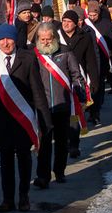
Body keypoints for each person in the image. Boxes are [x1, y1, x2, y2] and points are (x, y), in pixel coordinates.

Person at [0, 23, 50, 213]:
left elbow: (37, 91)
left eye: (9, 39)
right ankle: (7, 200)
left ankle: (23, 197)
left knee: (24, 159)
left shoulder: (28, 59)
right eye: (2, 39)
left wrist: (44, 121)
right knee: (5, 161)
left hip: (23, 120)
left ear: (15, 40)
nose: (6, 43)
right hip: (2, 122)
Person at [33, 22, 87, 189]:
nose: (46, 43)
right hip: (43, 107)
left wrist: (80, 93)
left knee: (62, 141)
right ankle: (43, 176)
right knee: (44, 142)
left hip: (63, 104)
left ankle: (60, 171)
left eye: (49, 39)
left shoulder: (65, 52)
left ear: (54, 37)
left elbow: (75, 74)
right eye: (42, 40)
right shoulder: (33, 55)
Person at [59, 9, 101, 157]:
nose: (65, 24)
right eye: (63, 21)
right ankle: (63, 142)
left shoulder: (85, 37)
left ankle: (74, 144)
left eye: (69, 22)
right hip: (61, 79)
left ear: (76, 24)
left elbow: (90, 60)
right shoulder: (57, 36)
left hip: (77, 79)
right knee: (62, 114)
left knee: (75, 112)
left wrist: (94, 80)